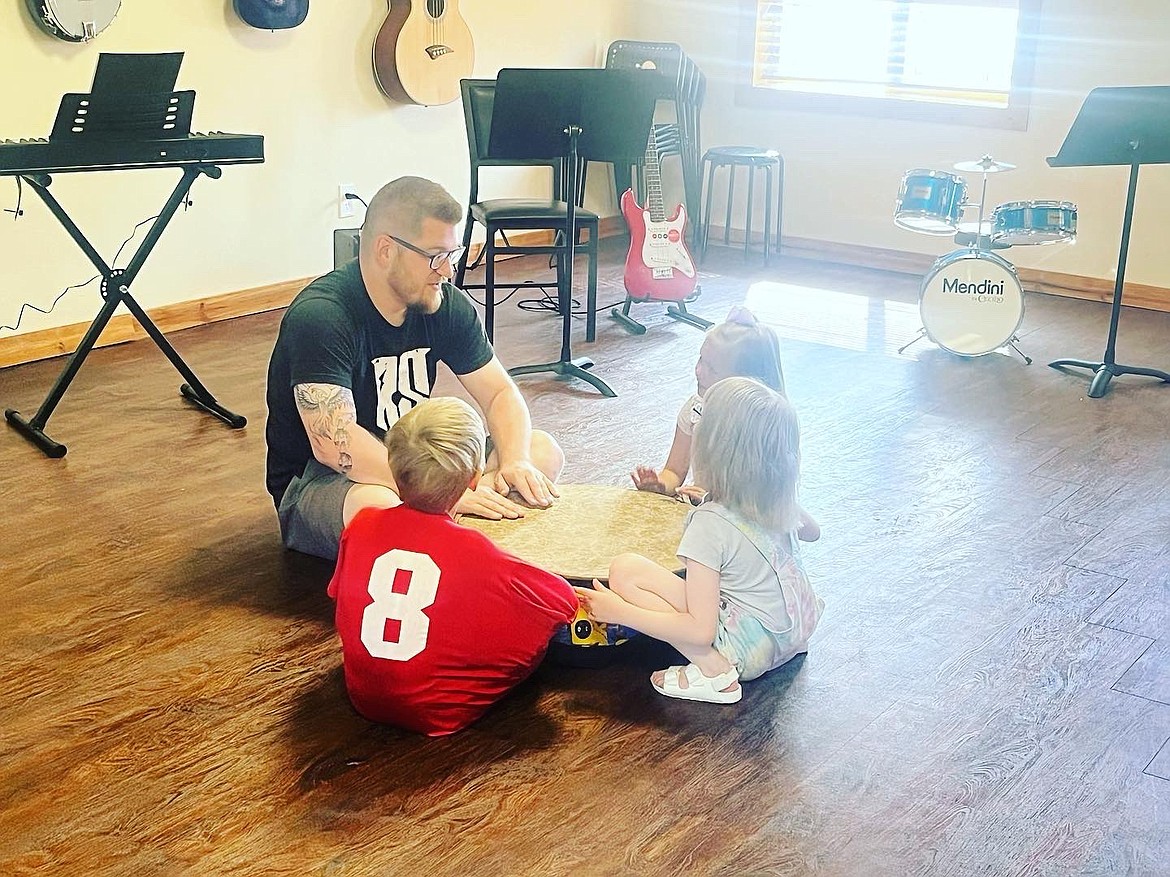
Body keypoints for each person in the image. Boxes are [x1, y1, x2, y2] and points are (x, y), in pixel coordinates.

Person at [265, 176, 563, 560]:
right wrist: (447, 494)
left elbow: (500, 393)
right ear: (386, 250)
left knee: (541, 451)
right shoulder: (323, 315)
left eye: (452, 255)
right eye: (435, 255)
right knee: (379, 505)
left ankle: (453, 545)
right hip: (327, 482)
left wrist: (516, 461)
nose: (447, 270)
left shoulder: (442, 303)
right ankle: (456, 538)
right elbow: (332, 444)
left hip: (420, 465)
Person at [328, 397, 578, 736]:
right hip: (443, 713)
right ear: (474, 478)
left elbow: (338, 593)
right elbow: (562, 601)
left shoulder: (361, 523)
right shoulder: (475, 549)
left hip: (363, 698)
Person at [574, 377, 824, 704]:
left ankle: (715, 673)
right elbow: (813, 532)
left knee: (625, 572)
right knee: (634, 570)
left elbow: (700, 631)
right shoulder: (775, 498)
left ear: (709, 449)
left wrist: (620, 612)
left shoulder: (709, 524)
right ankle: (724, 664)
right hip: (794, 633)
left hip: (751, 651)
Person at [631, 305, 820, 541]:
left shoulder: (766, 428)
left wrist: (717, 504)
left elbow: (806, 529)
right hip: (710, 526)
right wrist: (660, 484)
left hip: (746, 537)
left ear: (744, 383)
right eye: (700, 359)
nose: (699, 371)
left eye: (712, 368)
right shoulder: (695, 411)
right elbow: (674, 471)